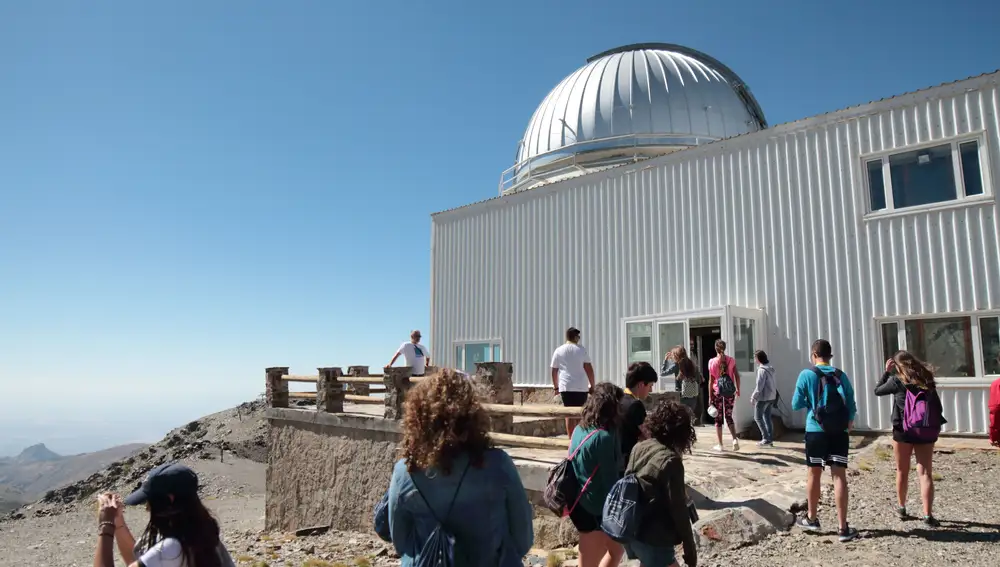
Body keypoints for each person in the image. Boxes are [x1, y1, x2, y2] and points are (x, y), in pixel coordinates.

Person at [388, 369, 534, 566]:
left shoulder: (405, 472)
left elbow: (401, 542)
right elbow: (522, 539)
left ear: (419, 419)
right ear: (473, 415)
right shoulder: (499, 465)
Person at [92, 463, 237, 567]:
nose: (148, 508)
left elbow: (156, 558)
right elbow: (140, 561)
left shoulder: (173, 549)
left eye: (150, 501)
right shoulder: (201, 534)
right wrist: (118, 524)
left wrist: (106, 525)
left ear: (170, 499)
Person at [791, 339, 859, 542]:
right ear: (830, 356)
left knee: (814, 474)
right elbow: (851, 402)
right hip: (839, 431)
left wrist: (810, 402)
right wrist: (849, 422)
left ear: (813, 354)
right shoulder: (840, 375)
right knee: (839, 476)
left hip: (815, 430)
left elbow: (795, 404)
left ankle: (812, 518)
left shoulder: (806, 374)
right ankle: (843, 528)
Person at [874, 351, 947, 526]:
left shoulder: (896, 380)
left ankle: (902, 508)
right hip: (925, 431)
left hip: (902, 431)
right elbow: (938, 407)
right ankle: (928, 515)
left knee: (902, 471)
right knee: (925, 472)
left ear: (897, 365)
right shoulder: (926, 379)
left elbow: (877, 391)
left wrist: (886, 372)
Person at [624, 400, 698, 567]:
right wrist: (690, 551)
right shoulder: (671, 461)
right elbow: (679, 510)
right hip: (655, 538)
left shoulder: (639, 447)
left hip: (634, 532)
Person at [568, 382, 625, 567]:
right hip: (593, 507)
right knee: (597, 560)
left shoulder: (579, 429)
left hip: (578, 501)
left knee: (616, 551)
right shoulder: (603, 438)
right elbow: (611, 483)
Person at [551, 327, 596, 437]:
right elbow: (588, 368)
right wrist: (592, 385)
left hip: (566, 386)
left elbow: (554, 370)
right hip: (581, 387)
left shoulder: (559, 350)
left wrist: (556, 387)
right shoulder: (581, 350)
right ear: (575, 337)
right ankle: (580, 438)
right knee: (581, 413)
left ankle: (571, 439)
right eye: (578, 336)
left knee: (569, 414)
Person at [620, 362, 657, 473]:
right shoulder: (635, 405)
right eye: (650, 386)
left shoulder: (619, 399)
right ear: (641, 384)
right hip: (629, 461)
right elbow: (648, 435)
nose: (650, 391)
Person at [707, 340, 741, 451]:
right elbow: (737, 376)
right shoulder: (731, 360)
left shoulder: (712, 362)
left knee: (718, 418)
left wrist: (710, 396)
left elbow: (711, 381)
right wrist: (738, 389)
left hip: (717, 392)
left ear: (715, 349)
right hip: (729, 392)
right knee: (729, 416)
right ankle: (734, 439)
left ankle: (720, 445)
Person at [750, 350, 777, 446]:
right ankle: (770, 439)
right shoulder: (771, 368)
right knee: (767, 417)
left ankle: (765, 438)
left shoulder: (762, 370)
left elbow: (759, 387)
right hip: (772, 396)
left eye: (755, 358)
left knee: (757, 417)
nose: (754, 360)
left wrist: (753, 397)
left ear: (758, 359)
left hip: (763, 397)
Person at [672, 346, 703, 424]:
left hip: (681, 395)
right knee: (688, 418)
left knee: (681, 418)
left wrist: (665, 361)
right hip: (693, 396)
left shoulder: (676, 366)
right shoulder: (693, 365)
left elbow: (663, 373)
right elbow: (699, 380)